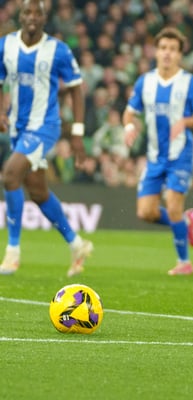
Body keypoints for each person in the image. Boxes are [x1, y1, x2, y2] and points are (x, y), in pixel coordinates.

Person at [0, 0, 93, 277]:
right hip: (18, 127)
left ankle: (12, 252)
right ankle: (77, 244)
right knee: (38, 192)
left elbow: (76, 89)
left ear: (44, 17)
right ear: (20, 16)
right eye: (27, 12)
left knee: (10, 175)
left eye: (37, 13)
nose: (32, 17)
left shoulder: (58, 50)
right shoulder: (6, 46)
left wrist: (77, 132)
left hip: (45, 126)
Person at [122, 27, 193, 276]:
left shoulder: (189, 83)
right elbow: (129, 112)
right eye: (163, 48)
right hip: (154, 157)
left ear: (180, 55)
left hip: (180, 154)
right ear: (155, 51)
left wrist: (184, 122)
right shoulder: (145, 82)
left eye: (173, 49)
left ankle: (184, 263)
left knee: (173, 204)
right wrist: (129, 126)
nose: (167, 53)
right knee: (145, 212)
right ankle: (185, 222)